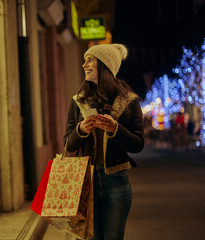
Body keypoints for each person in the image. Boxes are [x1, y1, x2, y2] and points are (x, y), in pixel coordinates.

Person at [63, 44, 144, 240]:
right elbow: (68, 144)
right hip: (84, 182)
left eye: (90, 60)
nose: (84, 65)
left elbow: (138, 144)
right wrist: (81, 130)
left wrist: (115, 129)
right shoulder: (78, 101)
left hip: (116, 181)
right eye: (85, 60)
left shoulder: (129, 101)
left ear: (105, 65)